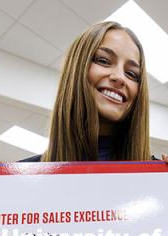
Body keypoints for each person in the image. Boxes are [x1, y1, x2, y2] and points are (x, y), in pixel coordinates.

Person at [20, 20, 151, 162]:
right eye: (104, 61)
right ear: (77, 68)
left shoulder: (162, 175)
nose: (119, 77)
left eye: (132, 74)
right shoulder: (21, 177)